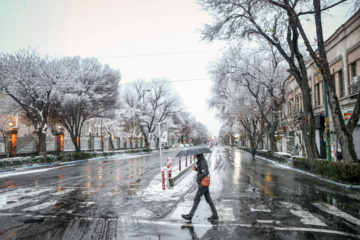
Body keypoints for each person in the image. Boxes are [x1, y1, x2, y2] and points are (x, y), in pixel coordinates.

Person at [181, 154, 218, 221]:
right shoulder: (201, 161)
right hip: (204, 183)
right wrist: (197, 169)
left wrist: (198, 179)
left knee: (197, 199)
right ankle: (215, 214)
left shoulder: (202, 162)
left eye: (195, 155)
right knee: (208, 199)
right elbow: (202, 171)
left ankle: (190, 215)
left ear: (198, 155)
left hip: (203, 184)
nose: (194, 156)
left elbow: (205, 172)